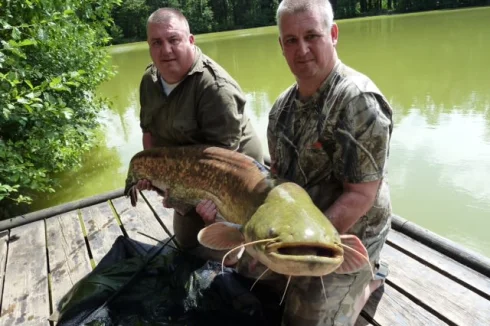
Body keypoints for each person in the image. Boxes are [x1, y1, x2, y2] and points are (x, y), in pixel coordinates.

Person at [255, 0, 393, 325]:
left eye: (311, 36)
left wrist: (307, 251)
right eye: (291, 40)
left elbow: (360, 195)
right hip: (299, 224)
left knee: (306, 317)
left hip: (354, 230)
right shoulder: (280, 110)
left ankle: (370, 277)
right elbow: (279, 183)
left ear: (332, 34)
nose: (301, 49)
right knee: (239, 271)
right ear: (281, 46)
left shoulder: (358, 101)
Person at [136, 8, 264, 260]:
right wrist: (148, 171)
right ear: (149, 47)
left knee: (223, 258)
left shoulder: (216, 88)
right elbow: (148, 132)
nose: (166, 50)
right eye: (157, 43)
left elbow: (223, 164)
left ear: (190, 40)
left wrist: (208, 206)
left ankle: (242, 237)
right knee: (185, 243)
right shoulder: (149, 81)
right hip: (191, 170)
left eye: (173, 40)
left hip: (237, 177)